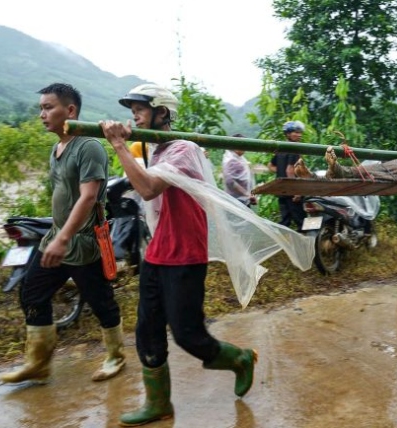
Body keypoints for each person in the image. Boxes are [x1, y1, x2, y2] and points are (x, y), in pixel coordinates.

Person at [100, 84, 314, 426]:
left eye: (140, 109)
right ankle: (159, 404)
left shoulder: (183, 150)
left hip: (185, 254)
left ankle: (240, 358)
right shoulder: (158, 152)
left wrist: (119, 144)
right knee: (147, 330)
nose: (134, 115)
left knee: (188, 334)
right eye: (132, 110)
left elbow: (148, 188)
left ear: (162, 113)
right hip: (157, 253)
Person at [0, 83, 125, 384]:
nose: (42, 114)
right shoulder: (56, 149)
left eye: (48, 107)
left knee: (100, 300)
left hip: (80, 243)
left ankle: (116, 356)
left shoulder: (88, 146)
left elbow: (89, 197)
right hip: (55, 238)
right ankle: (38, 363)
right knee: (32, 292)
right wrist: (56, 236)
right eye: (40, 108)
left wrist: (64, 238)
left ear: (69, 110)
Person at [269, 121, 307, 229]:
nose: (299, 135)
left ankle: (283, 244)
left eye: (300, 133)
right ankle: (307, 244)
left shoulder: (281, 148)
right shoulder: (293, 148)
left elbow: (270, 166)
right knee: (302, 222)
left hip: (282, 190)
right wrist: (296, 192)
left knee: (285, 222)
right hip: (291, 194)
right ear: (288, 134)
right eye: (296, 132)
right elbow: (290, 170)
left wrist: (280, 172)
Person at [222, 134, 257, 208]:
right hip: (236, 201)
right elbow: (230, 182)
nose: (244, 147)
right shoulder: (231, 160)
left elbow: (248, 180)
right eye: (242, 145)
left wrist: (250, 195)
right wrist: (247, 194)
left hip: (243, 199)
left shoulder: (240, 158)